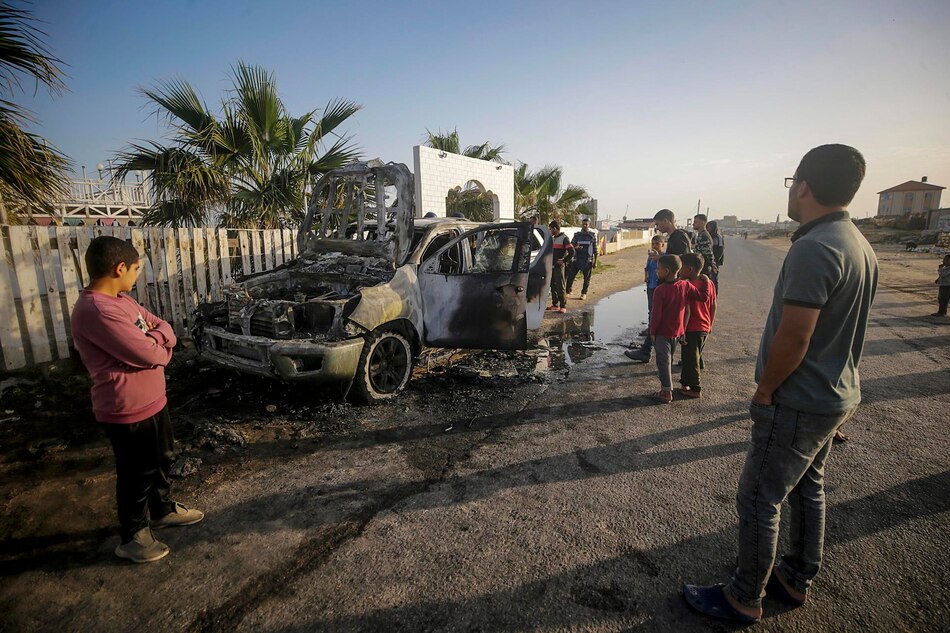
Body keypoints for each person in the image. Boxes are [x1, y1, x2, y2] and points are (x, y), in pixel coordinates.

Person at [683, 144, 877, 623]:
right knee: (808, 486)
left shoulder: (815, 247)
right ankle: (796, 575)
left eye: (792, 183)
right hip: (833, 395)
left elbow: (796, 335)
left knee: (758, 497)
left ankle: (744, 596)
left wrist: (765, 390)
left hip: (798, 398)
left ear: (804, 186)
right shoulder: (856, 242)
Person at [70, 236, 204, 564]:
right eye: (135, 270)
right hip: (126, 409)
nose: (136, 276)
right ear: (119, 268)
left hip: (154, 401)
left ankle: (161, 510)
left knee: (162, 458)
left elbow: (163, 327)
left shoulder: (123, 301)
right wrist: (159, 347)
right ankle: (132, 536)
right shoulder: (96, 311)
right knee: (137, 472)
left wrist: (156, 340)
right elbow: (150, 354)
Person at [625, 210, 691, 363]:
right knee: (659, 317)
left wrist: (661, 257)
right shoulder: (674, 237)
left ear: (666, 221)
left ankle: (652, 354)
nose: (657, 227)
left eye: (658, 223)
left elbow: (683, 259)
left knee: (660, 318)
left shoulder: (678, 237)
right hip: (669, 284)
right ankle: (650, 351)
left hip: (673, 285)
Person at [645, 254, 710, 403]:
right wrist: (706, 281)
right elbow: (703, 297)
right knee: (668, 360)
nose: (656, 271)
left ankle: (666, 392)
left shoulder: (660, 290)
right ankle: (665, 389)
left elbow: (656, 314)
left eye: (658, 268)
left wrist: (652, 332)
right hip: (677, 332)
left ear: (667, 271)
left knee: (663, 362)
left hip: (663, 332)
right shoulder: (685, 285)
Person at [678, 253, 717, 398]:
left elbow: (687, 311)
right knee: (690, 357)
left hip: (692, 327)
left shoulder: (688, 286)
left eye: (681, 267)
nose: (679, 270)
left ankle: (695, 388)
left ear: (689, 269)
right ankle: (685, 383)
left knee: (691, 360)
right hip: (704, 327)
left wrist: (682, 331)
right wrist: (710, 324)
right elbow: (713, 305)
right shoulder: (709, 283)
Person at [567, 218, 597, 299]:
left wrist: (595, 262)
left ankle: (584, 293)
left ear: (589, 225)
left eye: (586, 224)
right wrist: (576, 247)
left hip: (588, 260)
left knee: (586, 278)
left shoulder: (592, 236)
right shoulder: (577, 235)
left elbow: (595, 249)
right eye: (583, 224)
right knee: (571, 276)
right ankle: (568, 291)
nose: (584, 226)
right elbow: (571, 244)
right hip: (577, 259)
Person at [547, 220, 573, 313]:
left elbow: (572, 252)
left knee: (560, 286)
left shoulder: (564, 238)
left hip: (559, 267)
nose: (550, 231)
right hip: (551, 266)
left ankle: (563, 305)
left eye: (550, 229)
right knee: (552, 285)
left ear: (555, 228)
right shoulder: (552, 238)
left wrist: (563, 260)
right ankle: (555, 304)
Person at [707, 221, 725, 291]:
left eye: (710, 227)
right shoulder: (707, 236)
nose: (708, 228)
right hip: (708, 260)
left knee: (714, 279)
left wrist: (715, 261)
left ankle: (714, 294)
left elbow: (721, 250)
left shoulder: (718, 237)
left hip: (715, 261)